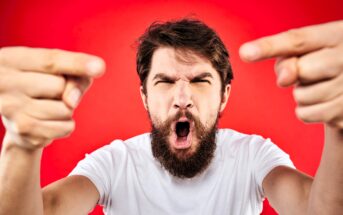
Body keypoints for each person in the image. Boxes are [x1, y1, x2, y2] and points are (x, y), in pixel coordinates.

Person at [0, 18, 342, 215]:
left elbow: (317, 210)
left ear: (224, 95)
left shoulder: (252, 156)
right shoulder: (115, 163)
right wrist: (22, 146)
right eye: (164, 82)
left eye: (199, 81)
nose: (182, 99)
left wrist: (340, 130)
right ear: (144, 97)